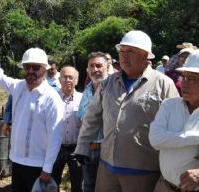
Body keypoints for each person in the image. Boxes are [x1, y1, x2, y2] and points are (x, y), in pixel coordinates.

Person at [74, 30, 179, 192]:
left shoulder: (164, 84)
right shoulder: (108, 83)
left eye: (130, 51)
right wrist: (82, 147)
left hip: (144, 171)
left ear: (146, 56)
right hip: (107, 168)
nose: (124, 56)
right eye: (122, 51)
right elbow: (92, 118)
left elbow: (175, 126)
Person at [0, 37, 64, 192]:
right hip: (17, 161)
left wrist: (47, 168)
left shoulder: (52, 98)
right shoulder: (19, 87)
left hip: (39, 166)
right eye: (27, 67)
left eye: (35, 67)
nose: (31, 71)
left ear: (44, 69)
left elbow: (55, 137)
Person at [149, 50, 199, 191]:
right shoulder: (169, 105)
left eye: (192, 79)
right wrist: (195, 137)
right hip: (164, 186)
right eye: (183, 77)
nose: (183, 83)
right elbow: (155, 139)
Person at [77, 52, 110, 192]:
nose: (95, 69)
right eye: (92, 66)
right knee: (89, 187)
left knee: (107, 188)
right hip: (89, 151)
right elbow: (81, 119)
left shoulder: (114, 89)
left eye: (99, 65)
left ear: (107, 67)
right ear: (87, 69)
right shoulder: (88, 90)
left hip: (107, 151)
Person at [51, 66, 83, 192]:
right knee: (52, 183)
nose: (67, 80)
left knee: (78, 184)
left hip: (77, 149)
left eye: (71, 77)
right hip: (56, 148)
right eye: (64, 77)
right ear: (59, 79)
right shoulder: (52, 98)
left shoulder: (83, 98)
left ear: (76, 80)